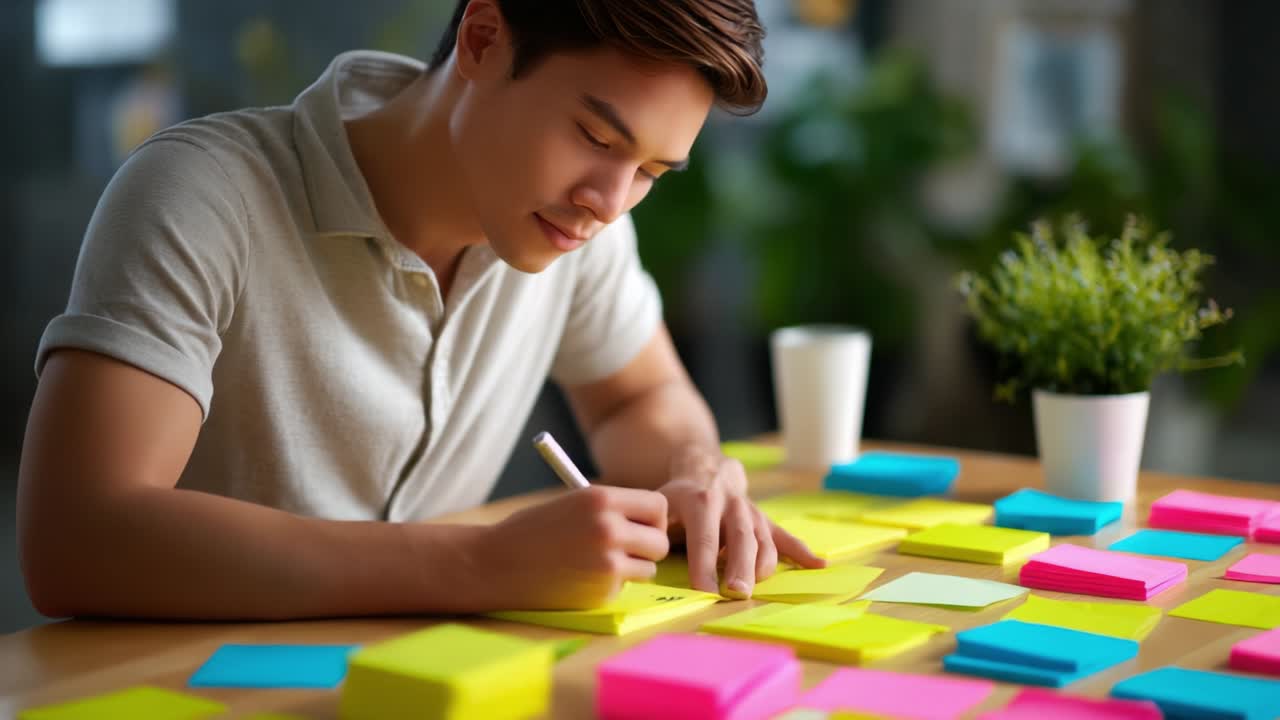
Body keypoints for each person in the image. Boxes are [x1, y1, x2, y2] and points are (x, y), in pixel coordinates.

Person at [17, 0, 823, 621]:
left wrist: (691, 469)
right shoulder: (204, 198)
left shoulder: (578, 230)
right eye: (594, 135)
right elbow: (76, 538)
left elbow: (637, 398)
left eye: (651, 169)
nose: (609, 202)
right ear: (481, 39)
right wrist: (480, 566)